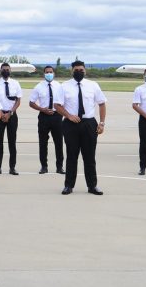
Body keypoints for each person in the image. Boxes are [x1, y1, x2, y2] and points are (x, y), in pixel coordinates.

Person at [54, 60, 106, 195]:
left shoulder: (93, 85)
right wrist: (69, 115)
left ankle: (92, 186)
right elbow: (57, 105)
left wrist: (102, 123)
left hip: (89, 123)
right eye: (76, 70)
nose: (79, 72)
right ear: (72, 71)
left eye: (81, 70)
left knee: (89, 157)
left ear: (85, 71)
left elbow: (101, 104)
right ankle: (69, 186)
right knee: (71, 156)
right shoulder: (64, 86)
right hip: (71, 124)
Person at [28, 65, 64, 174]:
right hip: (44, 116)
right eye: (47, 72)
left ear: (54, 73)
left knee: (59, 143)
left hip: (57, 116)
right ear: (44, 74)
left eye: (51, 72)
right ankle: (44, 166)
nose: (49, 74)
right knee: (43, 143)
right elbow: (31, 103)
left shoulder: (59, 86)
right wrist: (41, 109)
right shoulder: (38, 87)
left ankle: (59, 167)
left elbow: (64, 101)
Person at [0, 63, 23, 175]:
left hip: (12, 115)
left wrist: (10, 113)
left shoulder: (15, 83)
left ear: (10, 71)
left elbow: (18, 100)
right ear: (0, 71)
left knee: (12, 142)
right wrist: (1, 114)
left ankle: (12, 167)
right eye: (4, 69)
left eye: (7, 69)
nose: (6, 71)